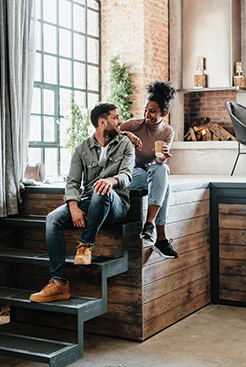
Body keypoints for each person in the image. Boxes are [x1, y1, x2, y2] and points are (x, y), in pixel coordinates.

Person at [29, 102, 135, 303]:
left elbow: (127, 176)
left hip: (117, 204)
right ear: (102, 122)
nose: (120, 121)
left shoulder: (126, 144)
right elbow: (73, 182)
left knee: (102, 188)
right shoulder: (82, 149)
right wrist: (74, 207)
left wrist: (110, 181)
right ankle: (59, 283)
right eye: (115, 117)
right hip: (89, 201)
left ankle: (86, 244)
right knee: (53, 218)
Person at [120, 80, 179, 259]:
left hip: (150, 169)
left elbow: (159, 161)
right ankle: (160, 237)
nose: (147, 114)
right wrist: (126, 134)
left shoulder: (168, 131)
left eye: (152, 111)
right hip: (130, 171)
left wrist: (162, 156)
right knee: (165, 185)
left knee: (162, 170)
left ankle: (149, 225)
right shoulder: (134, 125)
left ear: (164, 113)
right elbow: (105, 133)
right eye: (146, 110)